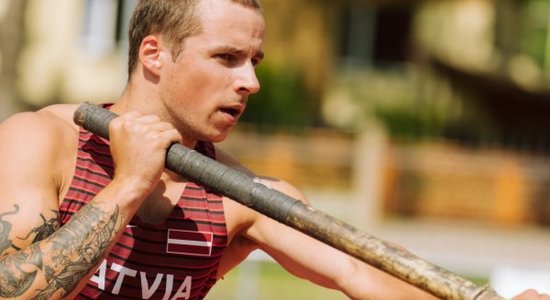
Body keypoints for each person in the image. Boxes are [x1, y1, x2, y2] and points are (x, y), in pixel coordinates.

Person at [0, 0, 547, 299]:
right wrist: (127, 186)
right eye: (227, 58)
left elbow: (360, 271)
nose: (250, 82)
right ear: (154, 54)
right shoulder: (43, 142)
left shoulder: (243, 198)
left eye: (254, 62)